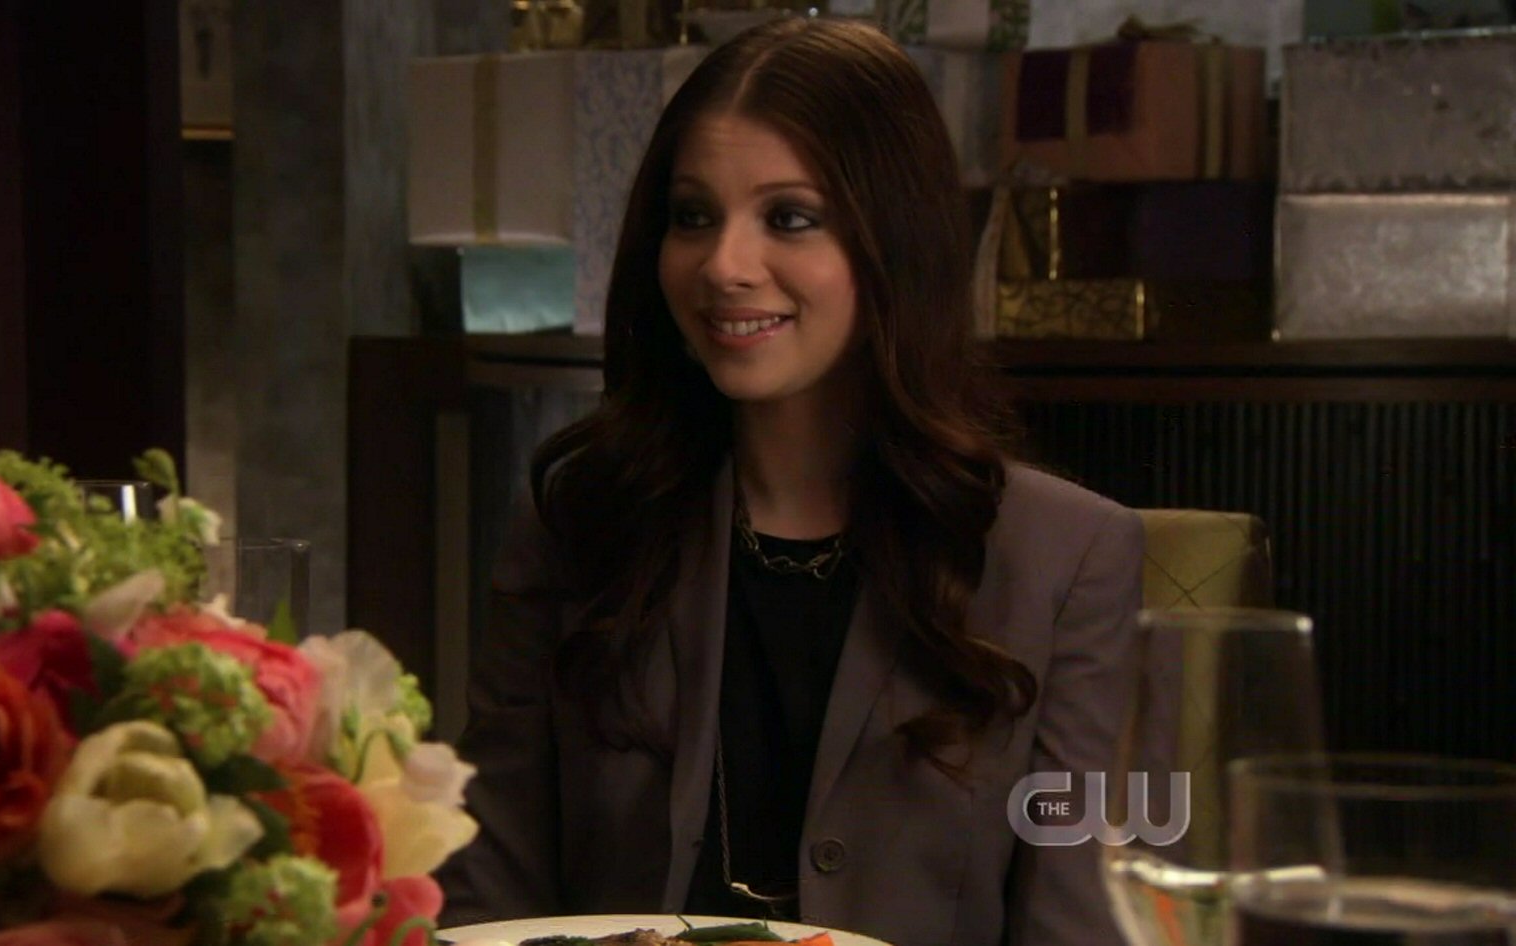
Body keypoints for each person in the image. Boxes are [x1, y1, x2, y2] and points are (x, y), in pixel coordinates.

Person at [436, 17, 1142, 946]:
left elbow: (1083, 923)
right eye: (693, 216)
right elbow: (490, 892)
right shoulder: (580, 519)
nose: (724, 266)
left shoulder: (1067, 558)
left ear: (895, 243)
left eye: (789, 218)